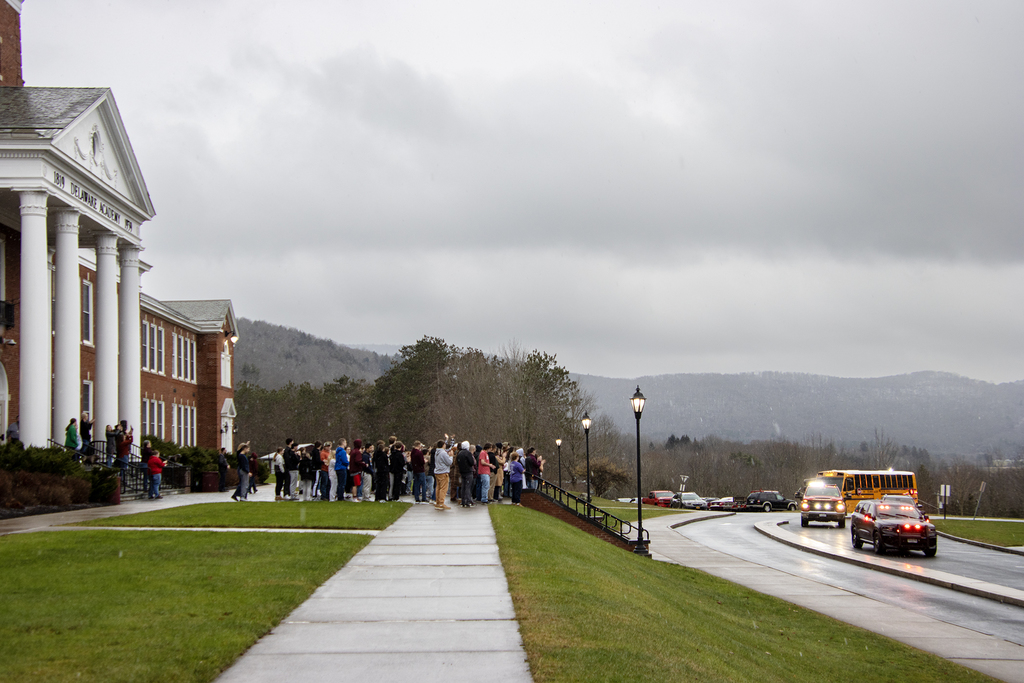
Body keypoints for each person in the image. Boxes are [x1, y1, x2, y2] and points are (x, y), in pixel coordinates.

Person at [433, 440, 452, 511]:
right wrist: (451, 456)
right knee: (443, 488)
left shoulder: (436, 452)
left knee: (438, 487)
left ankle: (437, 502)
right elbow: (449, 462)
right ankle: (441, 502)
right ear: (443, 445)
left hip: (437, 471)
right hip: (443, 472)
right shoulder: (443, 453)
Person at [457, 441, 476, 508]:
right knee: (468, 486)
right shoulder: (467, 453)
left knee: (463, 486)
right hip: (468, 471)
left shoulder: (459, 453)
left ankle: (463, 501)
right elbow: (471, 462)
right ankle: (467, 501)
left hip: (462, 471)